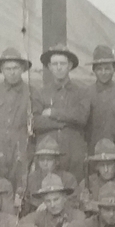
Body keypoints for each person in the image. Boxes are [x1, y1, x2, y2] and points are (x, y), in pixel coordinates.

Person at [32, 44, 91, 183]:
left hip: (74, 153)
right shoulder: (40, 93)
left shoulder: (81, 92)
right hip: (48, 156)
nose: (59, 67)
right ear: (50, 66)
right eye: (55, 64)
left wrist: (53, 112)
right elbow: (35, 122)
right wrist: (68, 121)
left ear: (69, 65)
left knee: (74, 191)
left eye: (62, 63)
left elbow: (82, 117)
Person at [0, 47, 33, 189]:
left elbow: (35, 129)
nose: (12, 72)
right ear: (2, 70)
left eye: (15, 68)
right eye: (8, 68)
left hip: (20, 151)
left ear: (22, 69)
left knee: (21, 190)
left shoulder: (31, 93)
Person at [84, 45, 115, 154]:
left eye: (107, 68)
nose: (103, 72)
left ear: (114, 68)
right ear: (93, 70)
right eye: (99, 69)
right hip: (92, 151)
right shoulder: (86, 94)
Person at [20, 136, 78, 212]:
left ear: (57, 161)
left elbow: (74, 203)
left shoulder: (68, 179)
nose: (45, 163)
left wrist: (49, 205)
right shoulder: (29, 179)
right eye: (42, 159)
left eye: (49, 159)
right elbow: (23, 206)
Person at [79, 139, 115, 213]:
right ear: (96, 166)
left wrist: (94, 206)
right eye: (102, 165)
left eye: (109, 164)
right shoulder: (87, 183)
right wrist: (83, 203)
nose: (106, 170)